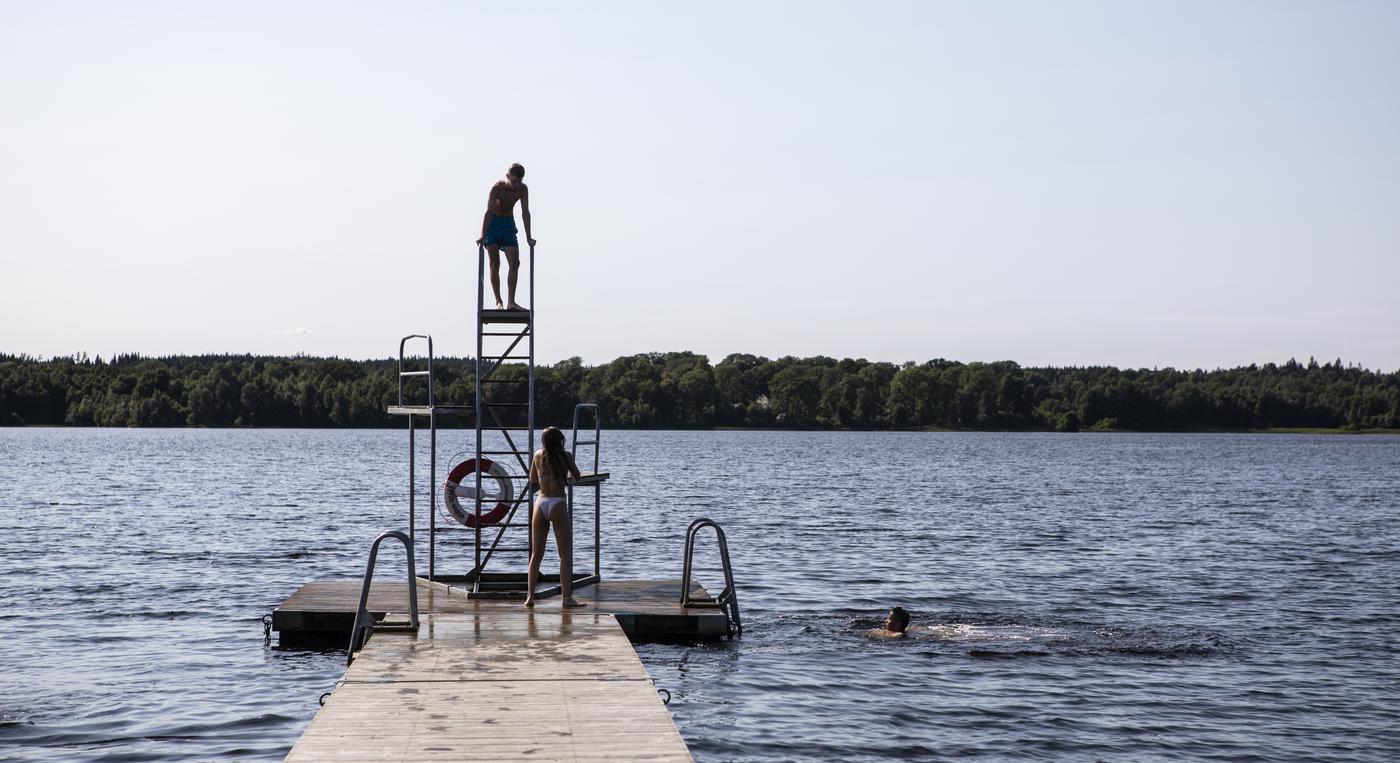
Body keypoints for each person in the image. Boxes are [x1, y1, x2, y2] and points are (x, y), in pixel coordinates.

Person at [524, 426, 584, 608]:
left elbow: (533, 479)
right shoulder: (565, 456)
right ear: (560, 440)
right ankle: (566, 598)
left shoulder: (537, 455)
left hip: (540, 503)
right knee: (565, 556)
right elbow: (577, 476)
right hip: (558, 503)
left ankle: (530, 598)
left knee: (536, 555)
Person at [476, 163, 535, 311]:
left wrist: (528, 236)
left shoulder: (522, 189)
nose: (516, 185)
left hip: (508, 225)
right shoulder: (497, 188)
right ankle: (498, 301)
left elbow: (525, 212)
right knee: (495, 264)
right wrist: (482, 234)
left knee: (515, 263)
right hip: (493, 225)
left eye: (519, 181)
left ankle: (511, 302)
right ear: (508, 177)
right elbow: (488, 211)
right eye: (514, 181)